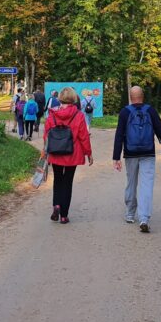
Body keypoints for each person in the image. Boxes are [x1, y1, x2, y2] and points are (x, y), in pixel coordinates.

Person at [113, 86, 161, 233]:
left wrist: (116, 157)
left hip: (130, 153)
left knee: (131, 182)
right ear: (142, 96)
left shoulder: (125, 112)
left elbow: (119, 135)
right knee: (146, 185)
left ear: (130, 97)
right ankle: (144, 218)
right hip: (148, 153)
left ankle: (130, 214)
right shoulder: (150, 110)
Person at [42, 87, 93, 224]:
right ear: (74, 98)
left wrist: (45, 151)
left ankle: (56, 205)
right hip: (72, 153)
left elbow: (46, 135)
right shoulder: (79, 115)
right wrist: (89, 153)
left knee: (57, 180)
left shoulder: (52, 114)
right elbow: (83, 137)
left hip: (56, 152)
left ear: (60, 99)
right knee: (67, 182)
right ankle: (64, 215)